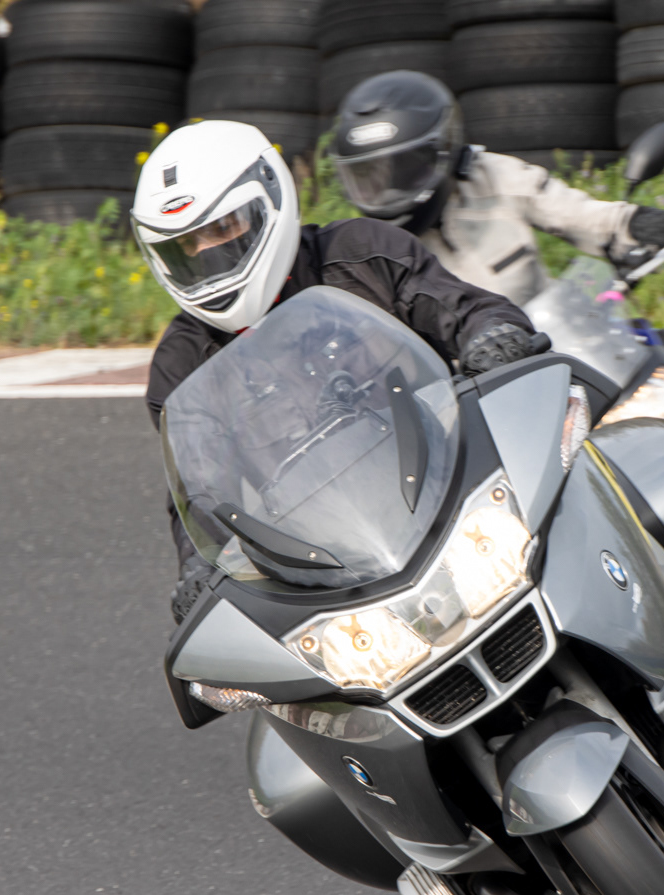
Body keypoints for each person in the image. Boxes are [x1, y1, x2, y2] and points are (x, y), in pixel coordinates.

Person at [132, 120, 550, 620]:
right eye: (186, 247)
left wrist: (492, 336)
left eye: (223, 229)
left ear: (270, 199)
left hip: (457, 500)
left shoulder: (363, 255)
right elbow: (198, 493)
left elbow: (465, 308)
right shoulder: (182, 366)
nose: (208, 257)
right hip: (324, 573)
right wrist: (198, 568)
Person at [328, 70, 664, 308]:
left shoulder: (495, 177)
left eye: (404, 169)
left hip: (565, 348)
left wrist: (627, 224)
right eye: (369, 176)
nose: (388, 189)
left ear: (445, 150)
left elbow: (570, 211)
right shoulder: (370, 255)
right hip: (478, 390)